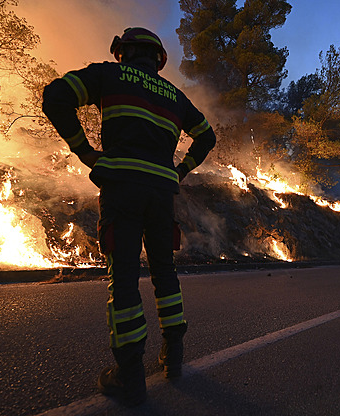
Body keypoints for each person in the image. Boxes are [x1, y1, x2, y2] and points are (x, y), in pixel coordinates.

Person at [42, 27, 216, 406]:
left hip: (122, 188)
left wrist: (87, 154)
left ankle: (130, 375)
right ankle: (174, 356)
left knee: (123, 277)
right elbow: (207, 136)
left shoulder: (109, 74)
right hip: (161, 195)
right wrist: (179, 170)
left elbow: (56, 96)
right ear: (157, 59)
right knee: (164, 272)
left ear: (125, 52)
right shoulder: (175, 96)